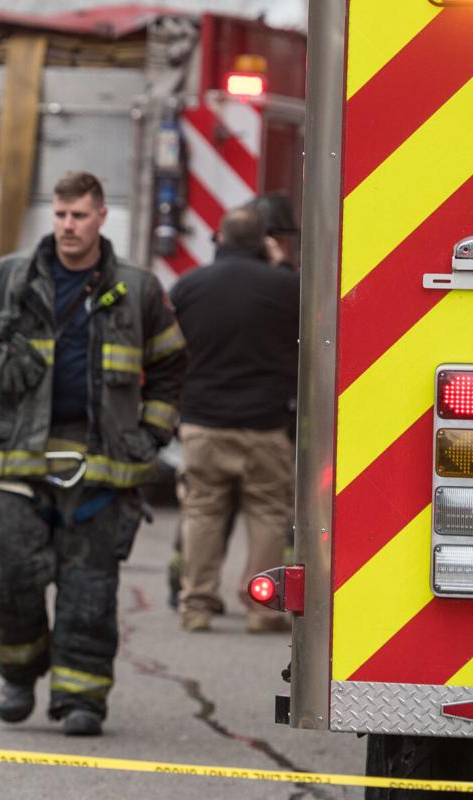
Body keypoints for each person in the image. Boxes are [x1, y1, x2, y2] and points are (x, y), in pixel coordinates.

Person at [0, 171, 185, 736]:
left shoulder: (137, 290)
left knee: (90, 591)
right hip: (16, 461)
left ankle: (81, 698)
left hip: (102, 469)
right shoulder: (7, 279)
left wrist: (151, 436)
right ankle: (19, 673)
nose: (68, 226)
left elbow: (171, 369)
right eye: (61, 215)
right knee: (8, 579)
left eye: (79, 216)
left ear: (101, 216)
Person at [169, 206, 299, 634]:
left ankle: (196, 606)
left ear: (220, 239)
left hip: (204, 422)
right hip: (266, 424)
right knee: (267, 513)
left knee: (202, 511)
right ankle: (262, 609)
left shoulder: (189, 286)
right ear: (263, 242)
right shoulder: (287, 287)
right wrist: (279, 264)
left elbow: (171, 351)